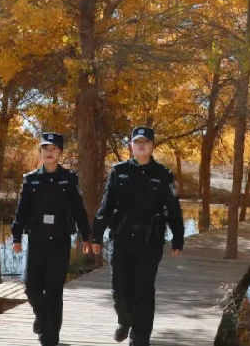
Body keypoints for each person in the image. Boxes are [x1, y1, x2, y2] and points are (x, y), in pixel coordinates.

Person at [91, 126, 184, 346]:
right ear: (131, 146)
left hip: (150, 241)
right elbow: (106, 206)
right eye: (137, 142)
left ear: (152, 146)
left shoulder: (163, 174)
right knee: (119, 291)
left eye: (146, 142)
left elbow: (173, 208)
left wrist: (178, 238)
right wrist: (96, 235)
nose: (141, 146)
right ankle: (125, 320)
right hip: (121, 239)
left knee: (143, 291)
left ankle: (140, 339)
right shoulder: (119, 172)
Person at [12, 132, 92, 346]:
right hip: (37, 241)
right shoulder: (31, 179)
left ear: (60, 153)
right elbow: (22, 211)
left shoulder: (69, 178)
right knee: (32, 288)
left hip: (59, 241)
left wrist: (86, 235)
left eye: (54, 148)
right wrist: (16, 236)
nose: (49, 152)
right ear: (40, 152)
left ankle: (51, 336)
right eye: (46, 148)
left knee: (54, 290)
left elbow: (78, 209)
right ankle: (41, 315)